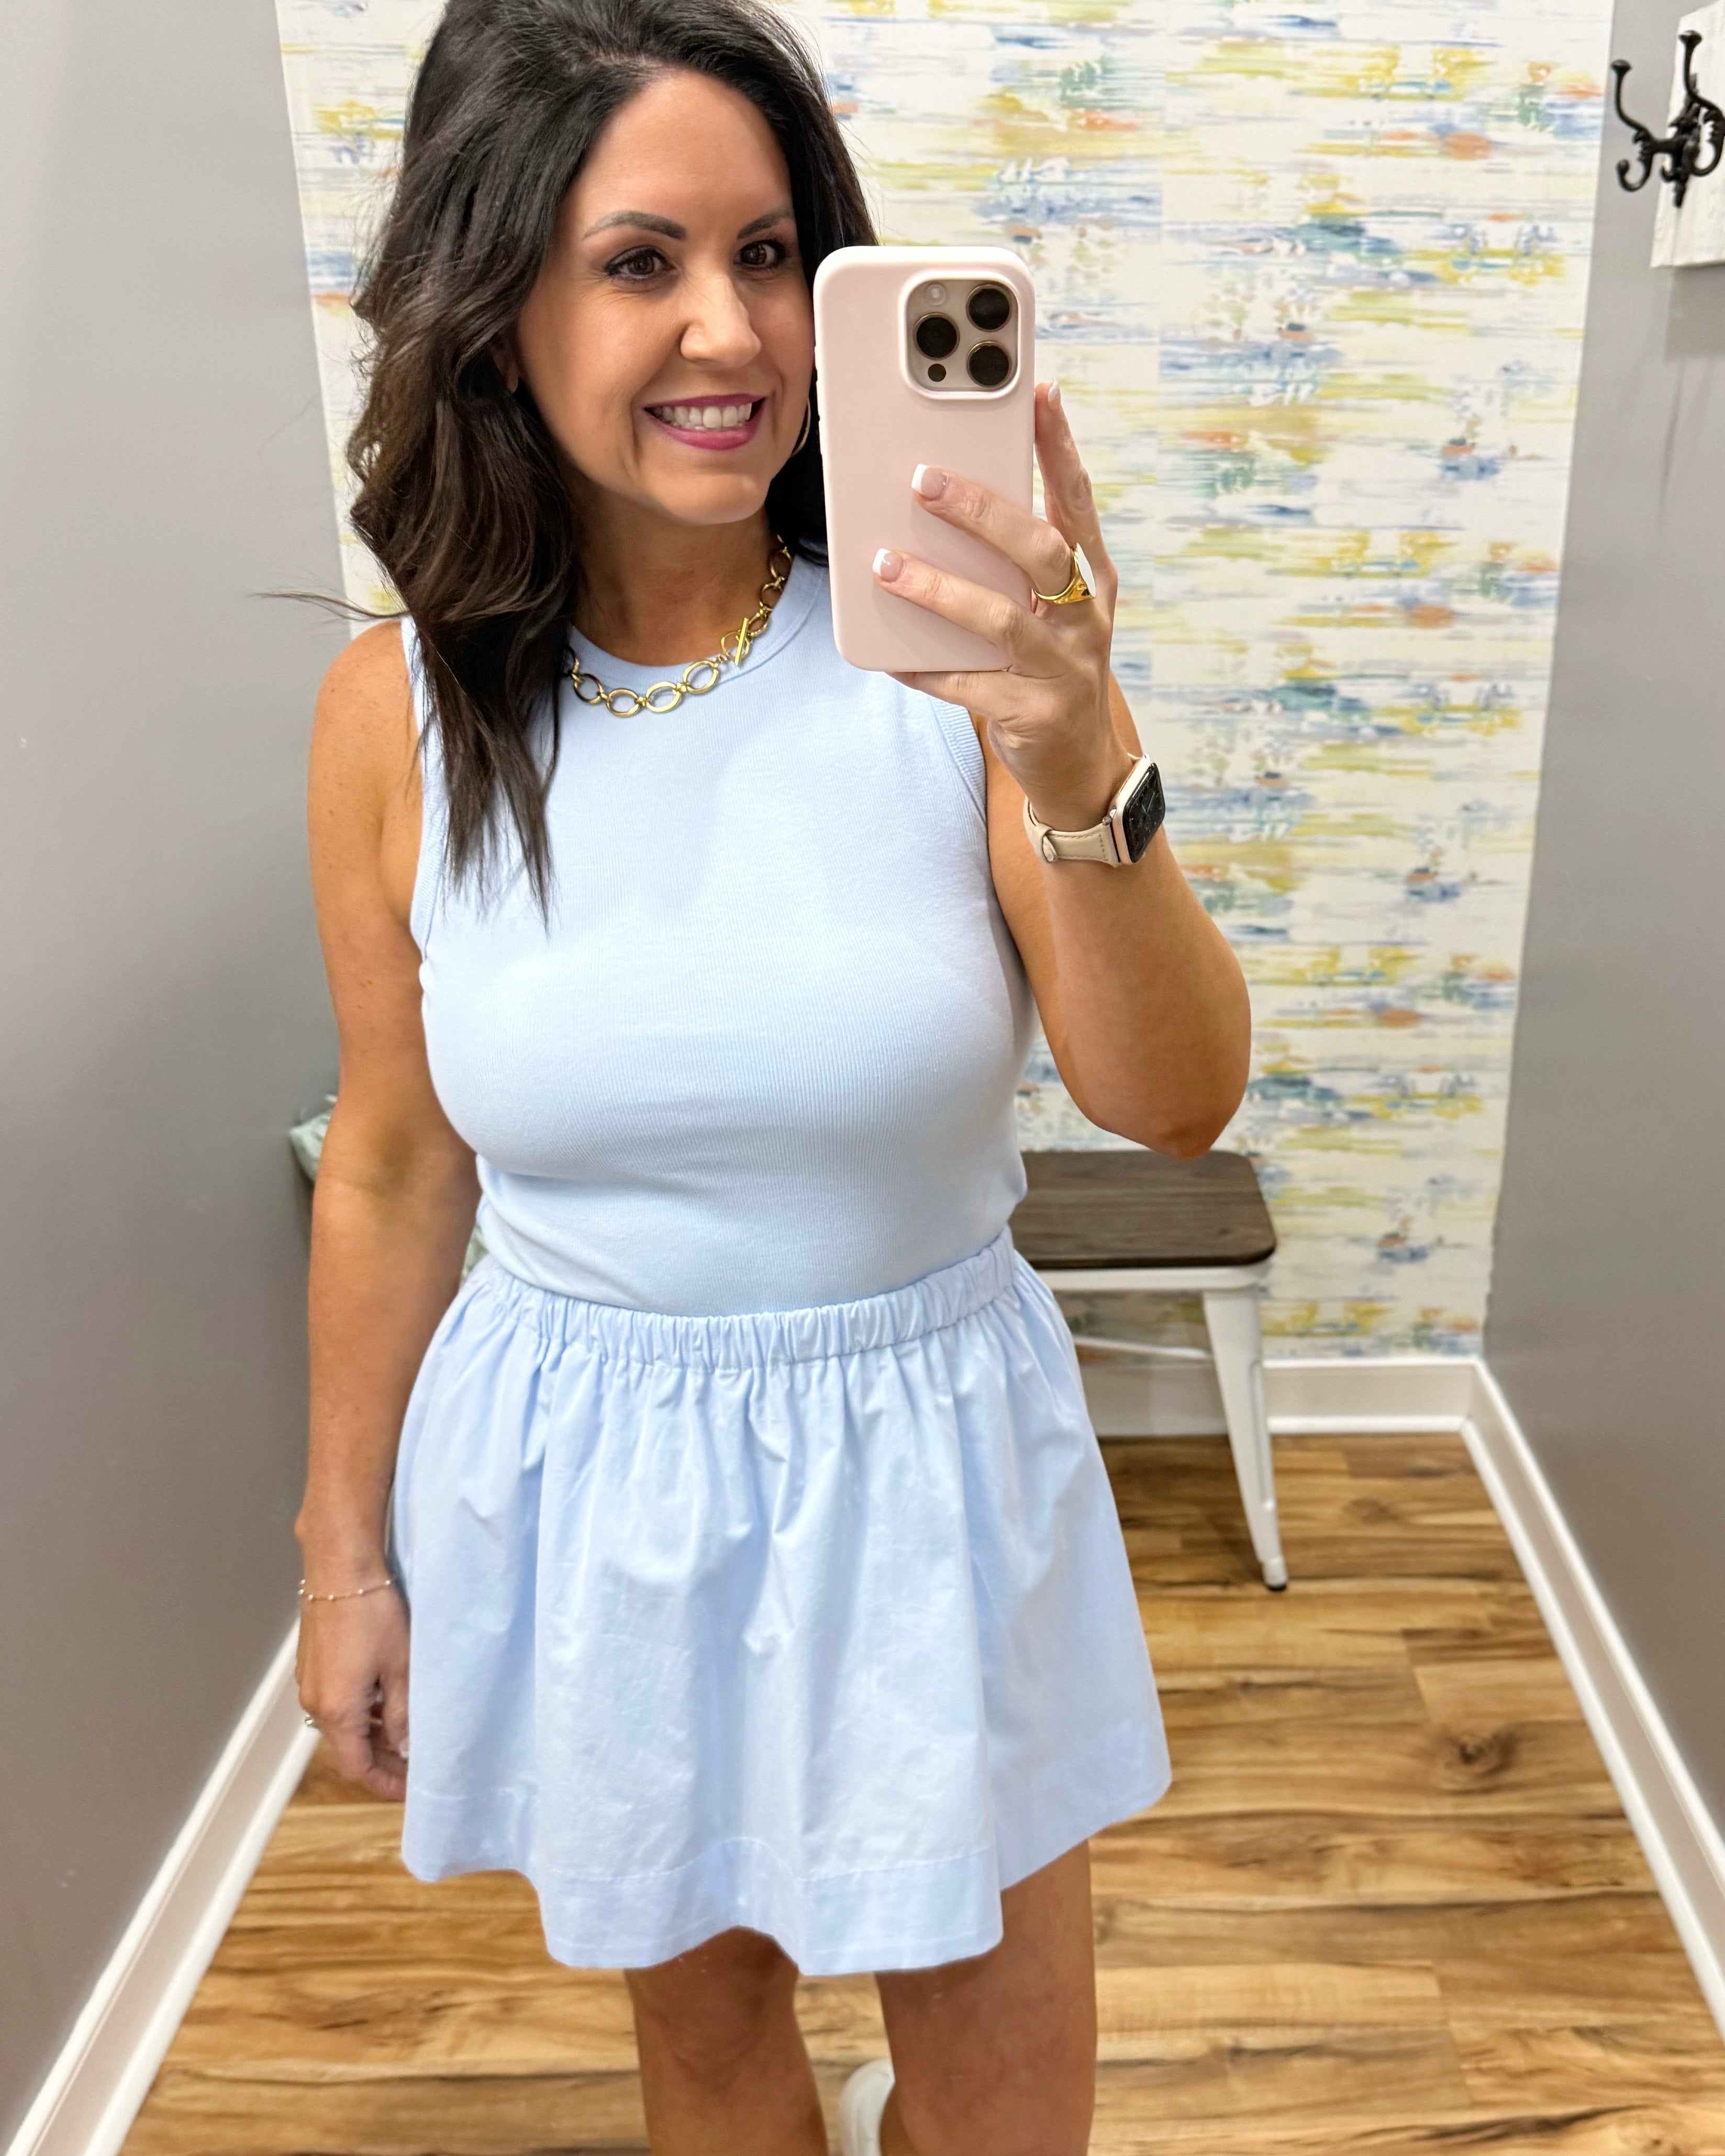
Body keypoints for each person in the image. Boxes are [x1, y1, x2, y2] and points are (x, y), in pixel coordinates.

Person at [292, 2, 1251, 2151]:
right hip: (585, 1478)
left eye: (768, 255)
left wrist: (1074, 742)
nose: (724, 328)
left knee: (1004, 2106)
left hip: (930, 1459)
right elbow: (386, 1165)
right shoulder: (396, 719)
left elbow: (1170, 1102)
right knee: (709, 2054)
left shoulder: (950, 668)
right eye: (638, 260)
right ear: (495, 300)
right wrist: (341, 1549)